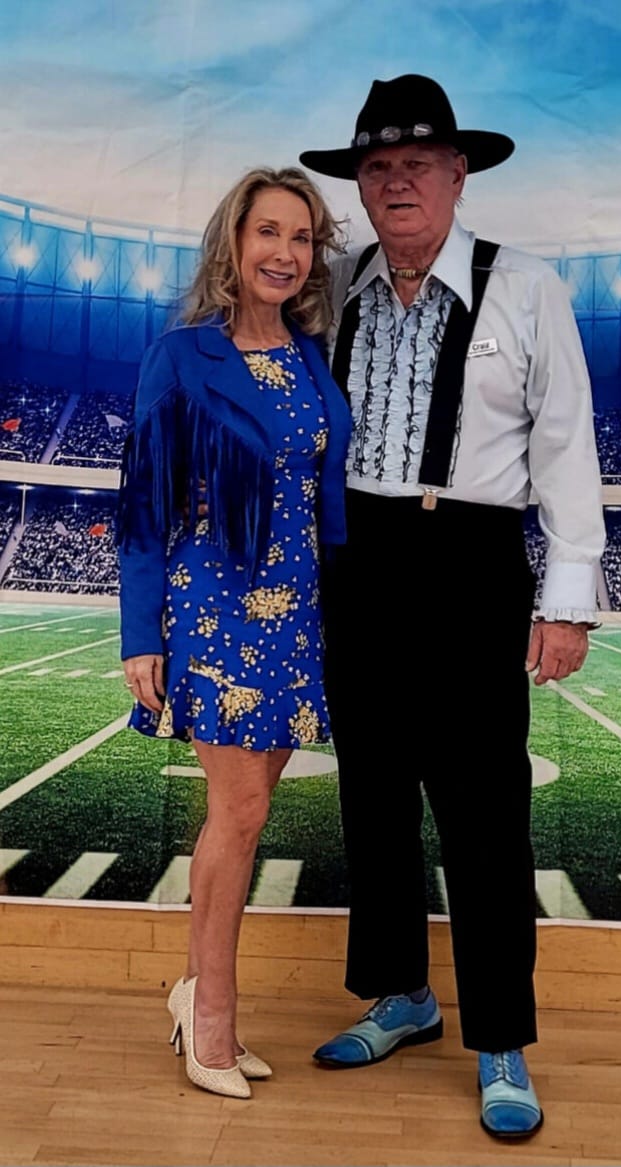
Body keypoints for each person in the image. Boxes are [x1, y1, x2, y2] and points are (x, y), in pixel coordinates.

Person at [299, 75, 605, 1139]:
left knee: (483, 810)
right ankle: (403, 994)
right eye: (377, 167)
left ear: (458, 173)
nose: (397, 182)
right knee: (374, 797)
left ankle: (501, 1037)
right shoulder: (335, 283)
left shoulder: (524, 286)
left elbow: (565, 443)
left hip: (469, 556)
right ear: (359, 184)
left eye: (417, 164)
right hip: (357, 557)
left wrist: (566, 600)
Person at [117, 166, 351, 1099]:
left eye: (301, 237)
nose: (284, 253)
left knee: (245, 814)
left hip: (299, 614)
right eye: (268, 232)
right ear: (233, 241)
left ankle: (194, 990)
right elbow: (145, 507)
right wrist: (140, 634)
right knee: (240, 810)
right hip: (211, 607)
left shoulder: (310, 356)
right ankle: (211, 1012)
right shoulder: (180, 357)